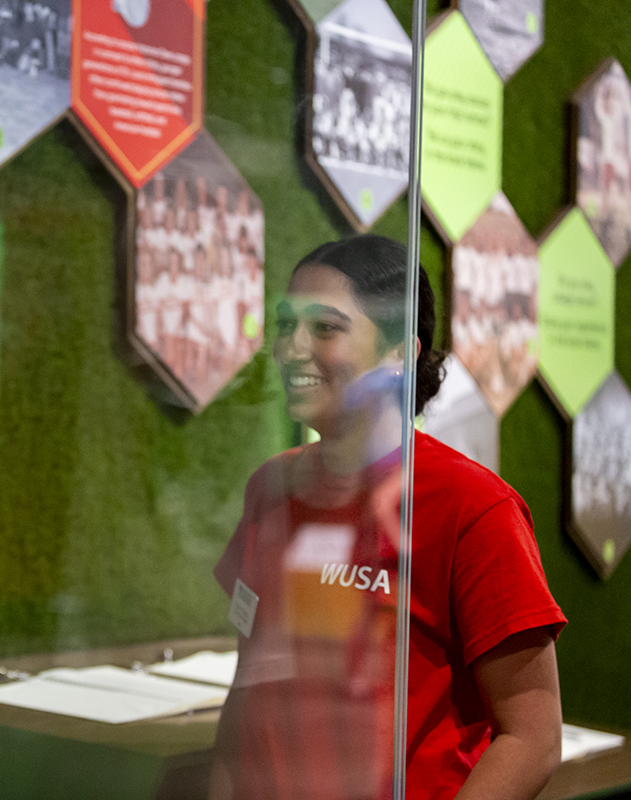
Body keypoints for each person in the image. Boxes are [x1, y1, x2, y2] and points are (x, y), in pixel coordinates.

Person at [209, 235, 566, 800]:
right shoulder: (270, 488)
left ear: (401, 353)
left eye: (325, 328)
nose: (290, 348)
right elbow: (247, 695)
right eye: (285, 325)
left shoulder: (473, 508)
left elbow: (533, 736)